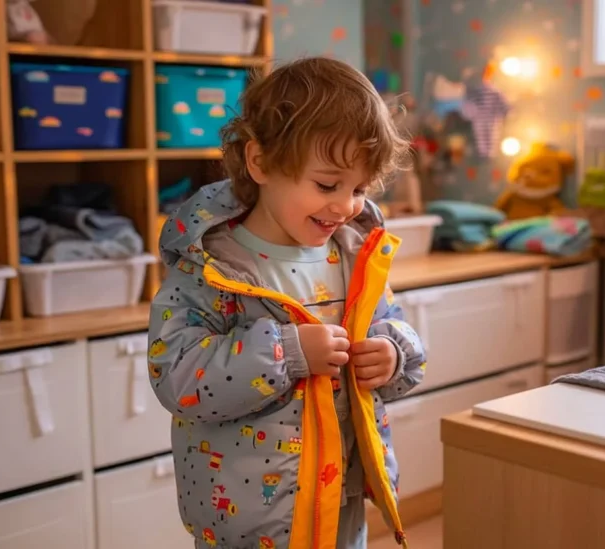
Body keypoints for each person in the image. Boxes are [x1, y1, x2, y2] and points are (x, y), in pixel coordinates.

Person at [148, 56, 427, 549]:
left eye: (359, 188)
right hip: (248, 519)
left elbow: (394, 328)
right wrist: (286, 353)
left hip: (341, 494)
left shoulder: (353, 253)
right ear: (260, 163)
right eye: (326, 185)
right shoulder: (212, 265)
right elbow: (177, 376)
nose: (345, 206)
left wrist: (394, 355)